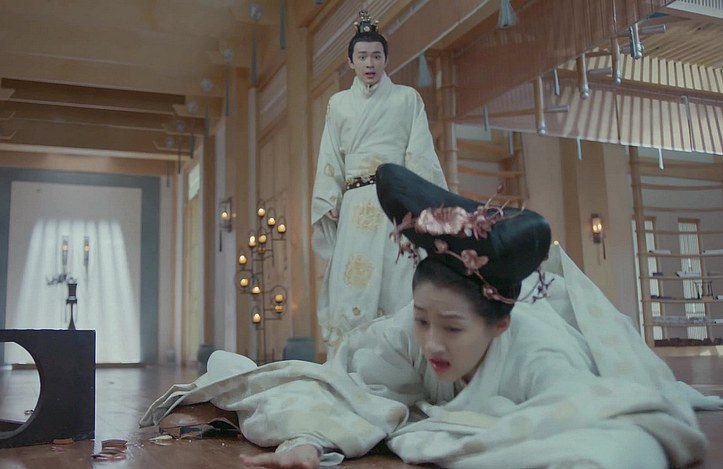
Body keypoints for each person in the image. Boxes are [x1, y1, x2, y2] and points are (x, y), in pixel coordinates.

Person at [141, 164, 721, 469]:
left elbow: (613, 433)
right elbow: (351, 387)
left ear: (500, 324)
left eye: (452, 328)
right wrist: (309, 440)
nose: (432, 342)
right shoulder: (409, 332)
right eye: (423, 319)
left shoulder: (539, 347)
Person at [311, 10, 447, 356]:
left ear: (386, 59)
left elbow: (420, 152)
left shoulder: (407, 99)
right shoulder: (338, 104)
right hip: (355, 203)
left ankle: (403, 357)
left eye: (376, 55)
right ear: (351, 62)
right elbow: (330, 154)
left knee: (398, 275)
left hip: (394, 200)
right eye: (362, 56)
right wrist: (328, 198)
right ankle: (352, 359)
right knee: (351, 281)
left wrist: (419, 198)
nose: (369, 63)